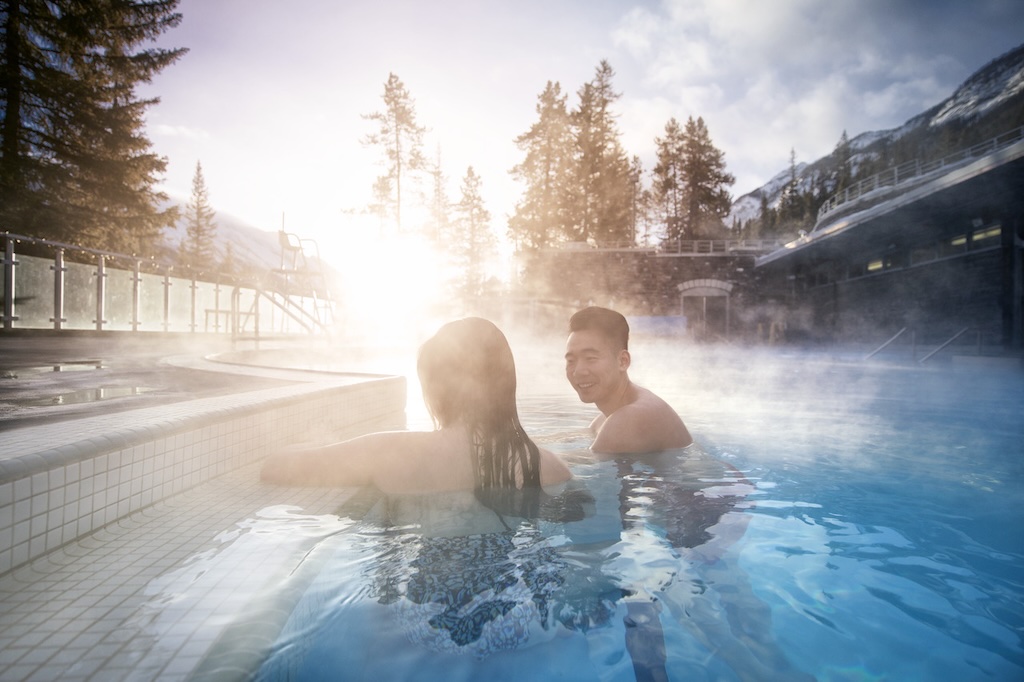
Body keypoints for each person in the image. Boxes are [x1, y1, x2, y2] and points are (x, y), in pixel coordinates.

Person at [261, 317, 571, 496]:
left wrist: (323, 445)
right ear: (506, 385)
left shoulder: (390, 452)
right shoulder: (549, 468)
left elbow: (275, 467)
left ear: (436, 388)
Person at [565, 306, 693, 454]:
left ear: (623, 361)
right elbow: (569, 441)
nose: (578, 371)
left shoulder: (630, 419)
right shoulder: (605, 420)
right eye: (571, 360)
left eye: (591, 358)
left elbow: (578, 470)